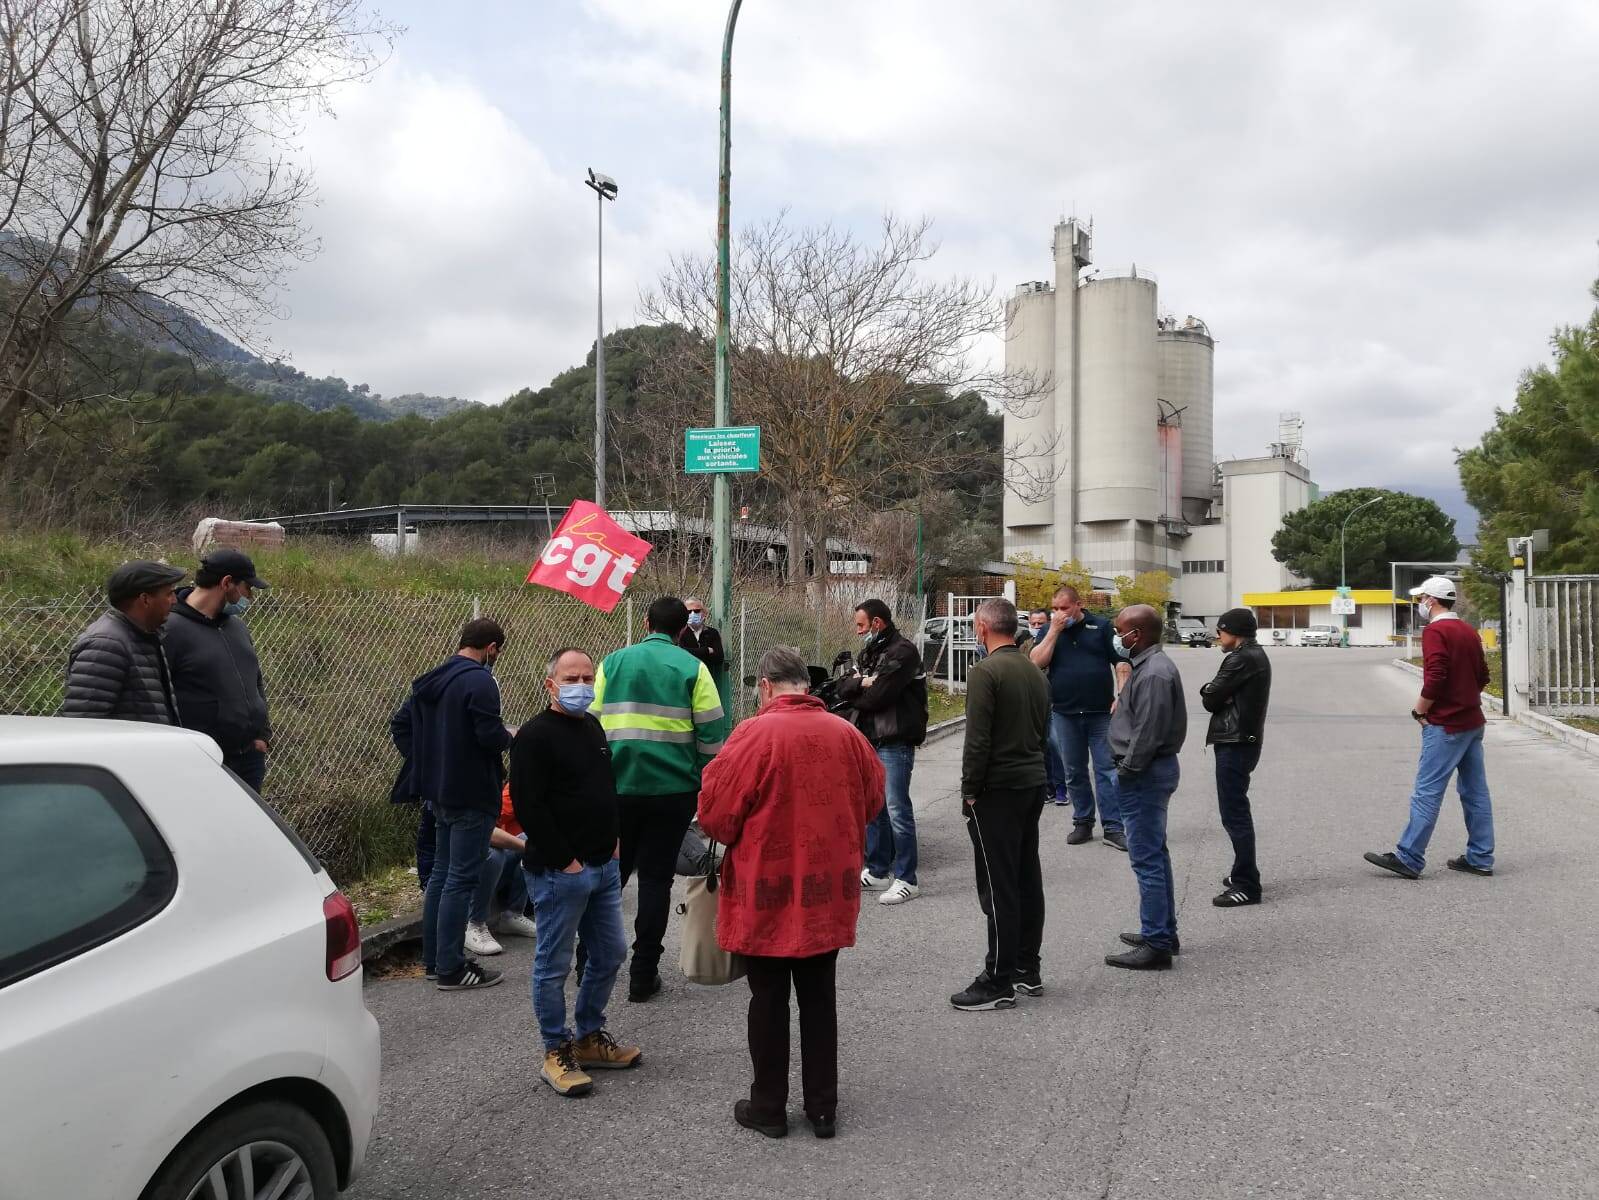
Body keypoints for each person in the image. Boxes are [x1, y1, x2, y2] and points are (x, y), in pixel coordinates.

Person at [698, 646, 884, 1139]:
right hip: (829, 889)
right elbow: (872, 801)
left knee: (768, 997)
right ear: (806, 683)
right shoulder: (847, 733)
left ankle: (769, 1107)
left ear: (764, 686)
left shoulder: (752, 735)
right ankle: (823, 1108)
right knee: (820, 997)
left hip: (768, 888)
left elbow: (717, 816)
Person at [511, 647, 641, 1098]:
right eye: (571, 678)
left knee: (609, 953)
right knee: (554, 964)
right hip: (559, 872)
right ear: (551, 684)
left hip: (604, 866)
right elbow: (530, 806)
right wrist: (566, 861)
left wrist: (614, 842)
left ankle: (588, 1036)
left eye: (587, 677)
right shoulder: (533, 737)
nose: (581, 686)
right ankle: (556, 1050)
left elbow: (605, 787)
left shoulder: (592, 726)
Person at [593, 595, 725, 1002]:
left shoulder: (611, 662)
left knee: (608, 880)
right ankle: (643, 973)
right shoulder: (693, 667)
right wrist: (699, 775)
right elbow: (712, 735)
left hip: (616, 789)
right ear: (683, 628)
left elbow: (593, 724)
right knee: (655, 880)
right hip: (672, 792)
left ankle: (588, 963)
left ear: (646, 622)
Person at [390, 618, 515, 992]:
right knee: (461, 879)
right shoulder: (480, 682)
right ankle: (451, 967)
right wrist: (513, 736)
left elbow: (401, 724)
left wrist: (429, 760)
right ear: (492, 648)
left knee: (443, 877)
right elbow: (489, 737)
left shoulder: (434, 677)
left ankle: (434, 960)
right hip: (471, 792)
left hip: (436, 791)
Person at [950, 598, 1051, 1012]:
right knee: (1027, 876)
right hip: (1030, 782)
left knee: (998, 885)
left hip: (997, 789)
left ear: (983, 628)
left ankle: (999, 978)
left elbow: (978, 741)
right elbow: (1043, 729)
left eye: (976, 626)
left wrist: (970, 790)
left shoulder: (985, 672)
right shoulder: (1033, 670)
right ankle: (1027, 967)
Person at [1365, 577, 1495, 881]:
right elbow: (1483, 675)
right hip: (1472, 722)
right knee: (1475, 793)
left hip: (1446, 725)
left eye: (1421, 598)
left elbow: (1435, 676)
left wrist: (1420, 710)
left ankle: (1409, 857)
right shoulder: (1467, 631)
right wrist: (1465, 698)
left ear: (1432, 601)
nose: (1419, 604)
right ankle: (1481, 857)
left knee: (1427, 791)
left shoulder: (1436, 631)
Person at [1105, 603, 1187, 971]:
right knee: (1155, 852)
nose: (1117, 637)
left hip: (1144, 774)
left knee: (1146, 858)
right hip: (1147, 772)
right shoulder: (1149, 666)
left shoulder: (1154, 672)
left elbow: (1147, 733)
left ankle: (1157, 943)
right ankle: (1162, 930)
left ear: (1135, 635)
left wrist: (1126, 771)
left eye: (1120, 630)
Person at [833, 599, 929, 906]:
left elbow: (878, 698)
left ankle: (907, 879)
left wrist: (858, 691)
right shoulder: (870, 652)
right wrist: (861, 681)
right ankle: (877, 870)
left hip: (895, 740)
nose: (857, 631)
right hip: (871, 738)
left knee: (898, 809)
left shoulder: (903, 652)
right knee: (874, 807)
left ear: (876, 623)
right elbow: (842, 686)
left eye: (861, 625)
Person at [1029, 586, 1131, 849]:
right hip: (1065, 712)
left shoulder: (1101, 626)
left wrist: (1122, 694)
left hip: (1101, 713)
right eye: (1055, 609)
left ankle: (1113, 827)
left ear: (1079, 604)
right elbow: (1036, 661)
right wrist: (1053, 630)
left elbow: (1120, 661)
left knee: (1106, 770)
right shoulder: (1049, 630)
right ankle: (1083, 822)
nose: (1059, 613)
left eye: (1064, 608)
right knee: (1074, 771)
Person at [163, 549, 273, 791]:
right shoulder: (170, 629)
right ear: (226, 583)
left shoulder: (237, 627)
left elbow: (255, 681)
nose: (249, 597)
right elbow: (158, 696)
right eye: (247, 588)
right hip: (203, 761)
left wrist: (261, 736)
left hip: (249, 757)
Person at [1200, 608, 1272, 908]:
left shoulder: (1240, 658)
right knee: (1235, 811)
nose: (1218, 636)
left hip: (1236, 742)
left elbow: (1209, 698)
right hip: (1244, 740)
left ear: (1235, 632)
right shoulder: (1253, 655)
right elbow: (1218, 694)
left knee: (1234, 813)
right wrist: (1218, 692)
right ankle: (1244, 871)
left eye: (1221, 630)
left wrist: (1212, 691)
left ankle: (1247, 885)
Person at [61, 560, 187, 724]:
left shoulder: (146, 635)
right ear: (145, 599)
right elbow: (84, 723)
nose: (174, 600)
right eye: (169, 594)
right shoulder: (106, 645)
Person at [464, 783, 538, 957]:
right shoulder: (464, 787)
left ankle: (512, 915)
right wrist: (530, 847)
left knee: (531, 839)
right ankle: (475, 924)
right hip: (463, 874)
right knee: (494, 854)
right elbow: (486, 832)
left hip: (492, 867)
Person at [1025, 607, 1066, 805]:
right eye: (1033, 624)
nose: (1036, 627)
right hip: (1033, 702)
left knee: (1054, 744)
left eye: (1040, 623)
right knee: (1040, 746)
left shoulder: (1056, 642)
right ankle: (1046, 786)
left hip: (1053, 700)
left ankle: (1061, 787)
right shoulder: (1025, 645)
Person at [677, 596, 727, 679]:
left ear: (704, 613)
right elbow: (681, 653)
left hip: (707, 677)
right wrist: (706, 650)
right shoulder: (680, 632)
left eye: (696, 611)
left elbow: (719, 658)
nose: (692, 614)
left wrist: (692, 652)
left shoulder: (712, 633)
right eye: (689, 612)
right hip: (685, 677)